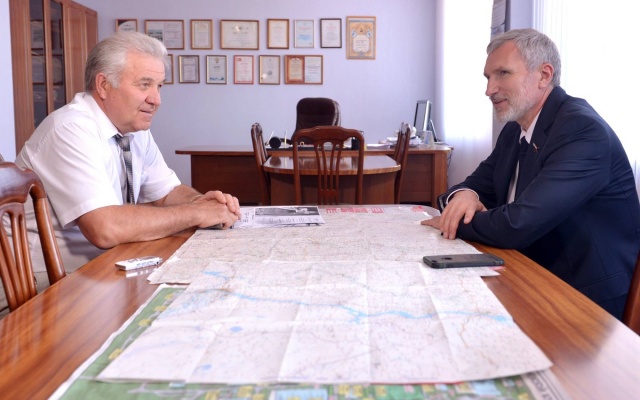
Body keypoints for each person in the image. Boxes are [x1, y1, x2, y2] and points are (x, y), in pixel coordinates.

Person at [4, 32, 241, 309]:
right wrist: (197, 213)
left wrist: (201, 202)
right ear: (104, 85)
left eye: (159, 86)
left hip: (102, 269)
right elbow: (106, 228)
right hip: (39, 283)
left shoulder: (133, 129)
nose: (156, 99)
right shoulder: (70, 129)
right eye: (144, 85)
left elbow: (166, 192)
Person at [421, 29, 640, 320]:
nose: (489, 89)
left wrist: (452, 221)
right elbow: (475, 184)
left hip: (586, 300)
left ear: (544, 75)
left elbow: (519, 223)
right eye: (488, 77)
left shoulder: (582, 131)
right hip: (529, 272)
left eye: (503, 74)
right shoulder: (515, 129)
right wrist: (464, 196)